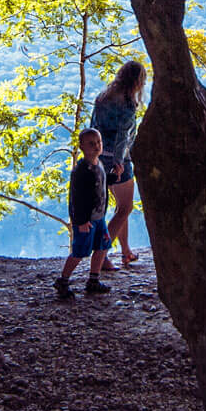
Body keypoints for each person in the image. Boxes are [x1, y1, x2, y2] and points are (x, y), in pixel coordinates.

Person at [89, 59, 146, 268]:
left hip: (99, 157)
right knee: (125, 208)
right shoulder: (128, 104)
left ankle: (125, 251)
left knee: (119, 207)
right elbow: (124, 137)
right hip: (118, 161)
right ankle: (102, 255)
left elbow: (93, 127)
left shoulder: (103, 97)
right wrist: (119, 162)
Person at [54, 129, 112, 298]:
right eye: (91, 143)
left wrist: (114, 177)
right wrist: (81, 221)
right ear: (81, 147)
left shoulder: (98, 164)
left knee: (102, 246)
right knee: (80, 251)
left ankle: (93, 280)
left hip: (98, 217)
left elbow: (101, 183)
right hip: (86, 220)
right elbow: (77, 198)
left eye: (98, 142)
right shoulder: (82, 171)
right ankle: (63, 280)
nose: (96, 146)